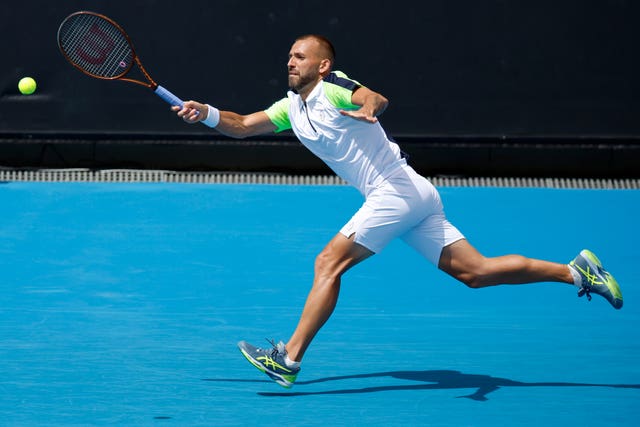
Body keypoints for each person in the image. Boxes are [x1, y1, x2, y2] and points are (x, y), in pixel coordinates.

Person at [173, 34, 623, 388]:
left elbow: (374, 97)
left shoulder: (333, 88)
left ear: (322, 65)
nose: (290, 62)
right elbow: (244, 126)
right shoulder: (292, 108)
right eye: (289, 56)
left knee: (328, 263)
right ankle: (577, 272)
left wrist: (368, 107)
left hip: (395, 192)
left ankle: (288, 359)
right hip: (413, 193)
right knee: (476, 272)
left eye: (299, 56)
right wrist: (206, 112)